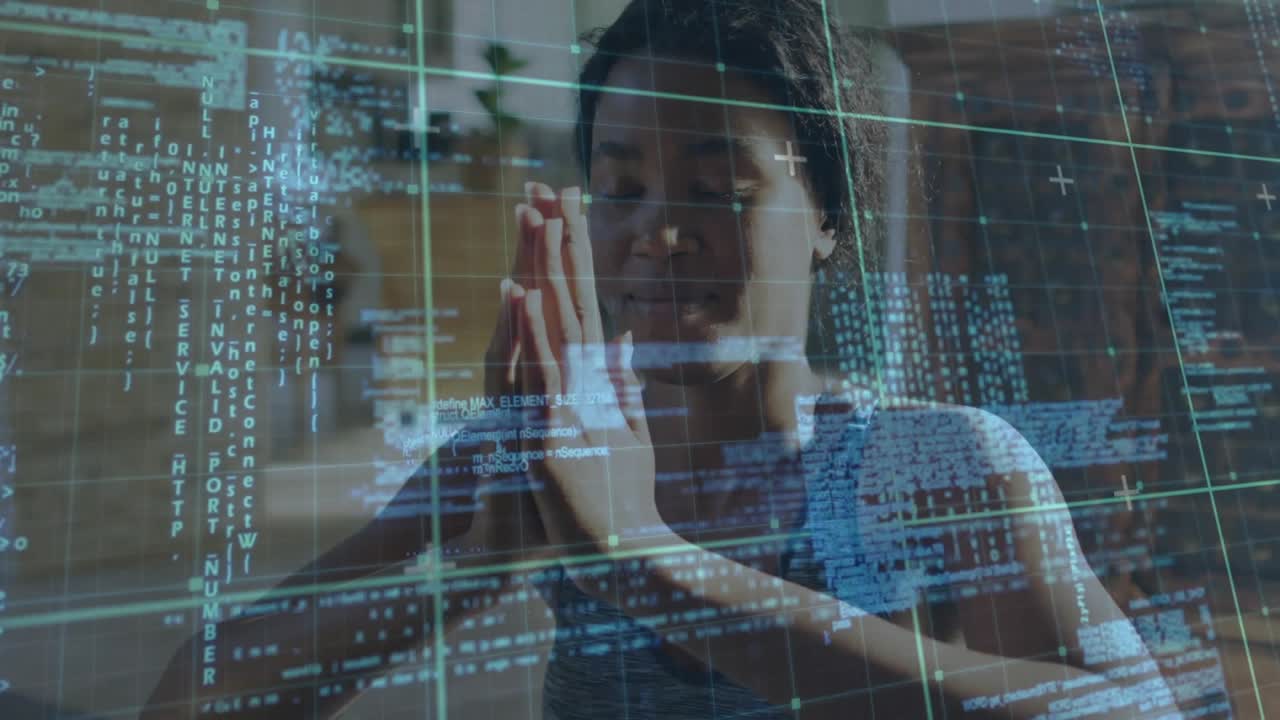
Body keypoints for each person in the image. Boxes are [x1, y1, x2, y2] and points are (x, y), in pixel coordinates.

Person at [146, 1, 1177, 718]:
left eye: (718, 186)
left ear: (825, 215)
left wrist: (644, 560)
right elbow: (190, 704)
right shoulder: (539, 458)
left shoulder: (932, 462)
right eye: (621, 184)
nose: (656, 232)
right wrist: (459, 573)